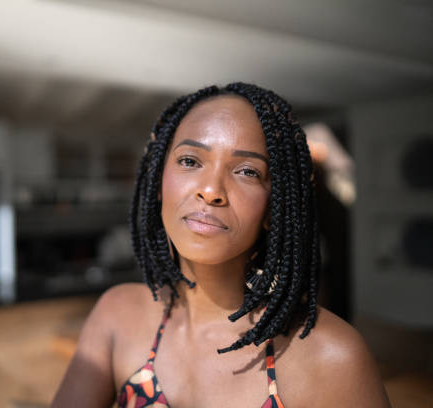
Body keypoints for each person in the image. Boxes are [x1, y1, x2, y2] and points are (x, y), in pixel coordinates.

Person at [51, 83, 391, 407]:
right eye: (190, 161)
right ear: (157, 182)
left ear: (275, 207)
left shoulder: (332, 357)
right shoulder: (117, 316)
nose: (211, 189)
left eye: (246, 171)